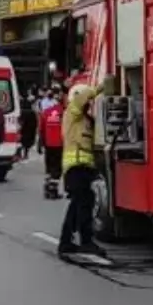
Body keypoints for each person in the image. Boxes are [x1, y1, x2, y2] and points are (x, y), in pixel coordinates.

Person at [56, 81, 105, 258]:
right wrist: (99, 88)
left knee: (79, 204)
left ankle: (66, 242)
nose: (88, 103)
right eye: (87, 100)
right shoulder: (72, 113)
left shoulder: (85, 120)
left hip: (84, 168)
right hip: (75, 167)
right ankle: (85, 241)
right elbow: (80, 99)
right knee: (84, 202)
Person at [40, 95, 64, 199]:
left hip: (48, 144)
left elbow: (41, 129)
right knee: (57, 169)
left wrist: (41, 143)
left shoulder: (46, 112)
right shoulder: (63, 113)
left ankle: (47, 188)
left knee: (49, 168)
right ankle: (53, 190)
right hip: (59, 144)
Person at [18, 95, 38, 160]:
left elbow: (20, 121)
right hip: (29, 130)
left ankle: (19, 154)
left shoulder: (21, 112)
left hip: (22, 129)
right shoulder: (32, 112)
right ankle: (25, 154)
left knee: (20, 142)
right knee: (27, 144)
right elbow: (35, 122)